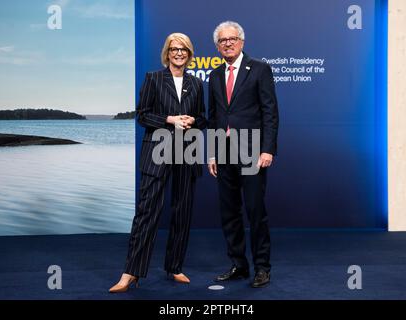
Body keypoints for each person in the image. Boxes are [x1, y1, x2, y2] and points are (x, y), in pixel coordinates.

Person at [109, 33, 207, 293]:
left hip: (187, 152)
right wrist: (170, 120)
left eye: (184, 49)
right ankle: (131, 272)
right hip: (158, 152)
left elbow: (203, 117)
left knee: (182, 212)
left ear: (189, 53)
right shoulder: (153, 78)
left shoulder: (196, 84)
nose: (179, 53)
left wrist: (193, 121)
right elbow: (142, 116)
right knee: (146, 212)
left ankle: (174, 267)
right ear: (167, 53)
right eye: (174, 49)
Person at [208, 21, 279, 288]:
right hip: (223, 152)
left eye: (232, 39)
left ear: (242, 42)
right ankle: (239, 265)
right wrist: (212, 153)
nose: (227, 43)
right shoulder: (215, 76)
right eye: (222, 40)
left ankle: (262, 267)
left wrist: (267, 149)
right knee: (229, 212)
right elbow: (215, 116)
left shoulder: (259, 68)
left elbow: (270, 112)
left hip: (252, 151)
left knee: (255, 210)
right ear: (217, 46)